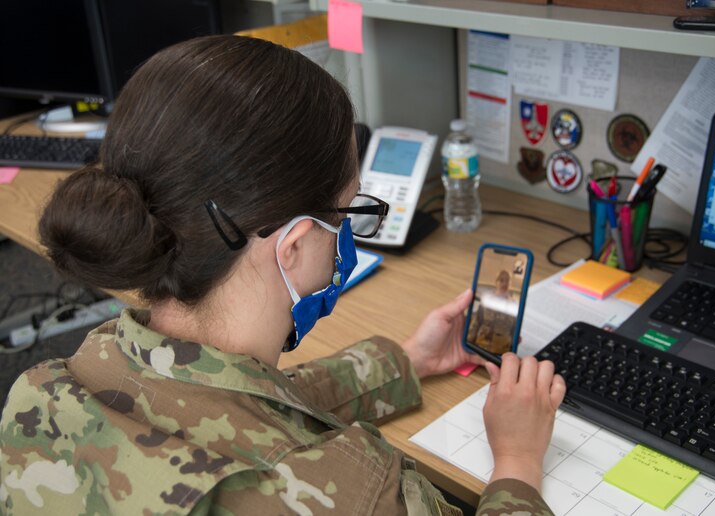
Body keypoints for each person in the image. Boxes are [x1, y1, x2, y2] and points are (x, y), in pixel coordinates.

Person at [0, 35, 565, 515]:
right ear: (293, 245)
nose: (345, 231)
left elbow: (231, 409)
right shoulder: (349, 493)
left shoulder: (45, 388)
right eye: (346, 212)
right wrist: (517, 460)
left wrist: (405, 362)